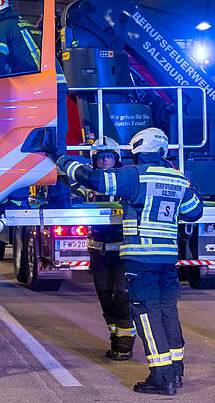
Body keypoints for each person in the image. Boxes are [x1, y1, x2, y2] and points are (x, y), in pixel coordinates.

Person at [56, 127, 202, 395]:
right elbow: (195, 212)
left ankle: (161, 378)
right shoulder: (178, 178)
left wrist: (61, 158)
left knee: (146, 314)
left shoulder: (135, 175)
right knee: (168, 312)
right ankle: (175, 373)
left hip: (141, 258)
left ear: (136, 149)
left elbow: (94, 180)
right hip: (167, 259)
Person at [80, 137, 137, 361]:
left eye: (109, 157)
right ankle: (115, 340)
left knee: (122, 295)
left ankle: (124, 346)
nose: (105, 161)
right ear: (94, 160)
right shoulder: (87, 184)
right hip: (98, 252)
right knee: (105, 296)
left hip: (122, 252)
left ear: (117, 159)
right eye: (101, 157)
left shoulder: (125, 182)